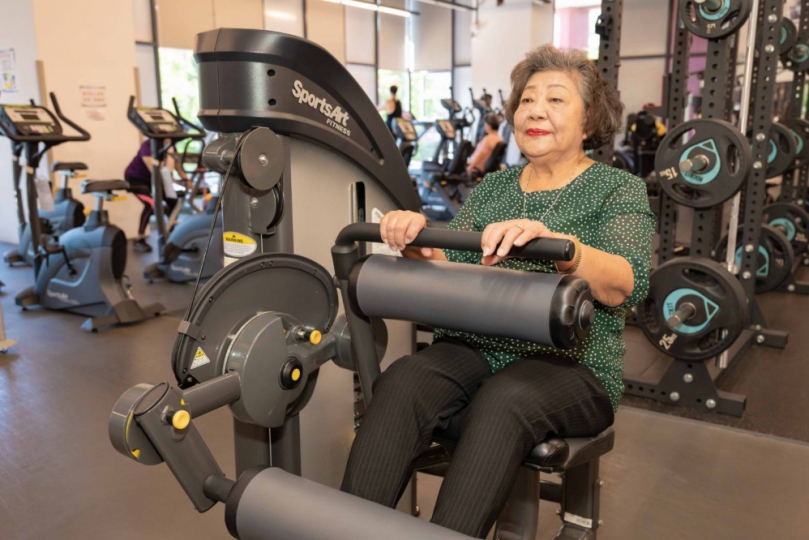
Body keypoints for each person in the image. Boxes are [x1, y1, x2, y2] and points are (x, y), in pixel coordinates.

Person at [341, 44, 655, 538]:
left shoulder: (617, 189)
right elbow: (453, 263)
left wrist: (563, 248)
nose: (535, 110)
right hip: (480, 346)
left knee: (505, 399)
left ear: (590, 119)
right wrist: (413, 237)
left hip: (574, 364)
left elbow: (626, 282)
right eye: (528, 99)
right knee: (403, 380)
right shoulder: (495, 188)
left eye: (556, 100)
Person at [124, 139, 189, 252]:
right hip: (136, 179)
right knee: (150, 204)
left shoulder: (171, 146)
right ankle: (139, 240)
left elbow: (177, 166)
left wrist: (185, 179)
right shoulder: (148, 145)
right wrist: (173, 181)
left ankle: (173, 236)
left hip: (156, 180)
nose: (170, 139)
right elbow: (153, 170)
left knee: (173, 202)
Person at [466, 112, 504, 178]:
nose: (484, 127)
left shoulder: (487, 139)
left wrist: (470, 167)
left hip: (477, 167)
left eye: (485, 124)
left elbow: (482, 154)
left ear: (489, 126)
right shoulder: (500, 139)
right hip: (486, 167)